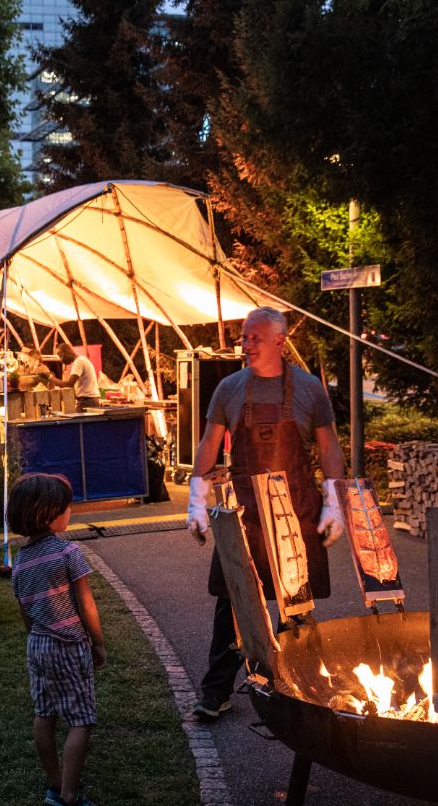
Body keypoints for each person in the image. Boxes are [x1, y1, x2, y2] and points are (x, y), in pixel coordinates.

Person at [184, 307, 347, 721]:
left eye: (255, 337)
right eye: (244, 336)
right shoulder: (229, 388)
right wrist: (196, 499)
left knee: (297, 604)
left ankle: (294, 686)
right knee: (233, 601)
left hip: (298, 511)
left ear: (279, 341)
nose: (246, 343)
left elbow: (329, 447)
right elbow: (209, 442)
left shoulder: (310, 389)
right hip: (246, 516)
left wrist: (334, 502)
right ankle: (216, 691)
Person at [9, 473, 105, 806]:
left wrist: (36, 637)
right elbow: (86, 603)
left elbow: (25, 611)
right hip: (69, 644)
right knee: (81, 719)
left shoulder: (19, 562)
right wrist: (98, 642)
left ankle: (54, 784)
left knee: (45, 713)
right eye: (67, 506)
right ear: (49, 514)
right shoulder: (68, 553)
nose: (70, 511)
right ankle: (69, 794)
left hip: (37, 644)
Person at [49, 343, 101, 410]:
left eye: (61, 356)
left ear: (67, 352)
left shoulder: (79, 362)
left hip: (87, 401)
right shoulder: (81, 360)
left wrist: (50, 377)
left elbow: (69, 384)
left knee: (79, 420)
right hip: (90, 400)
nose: (61, 360)